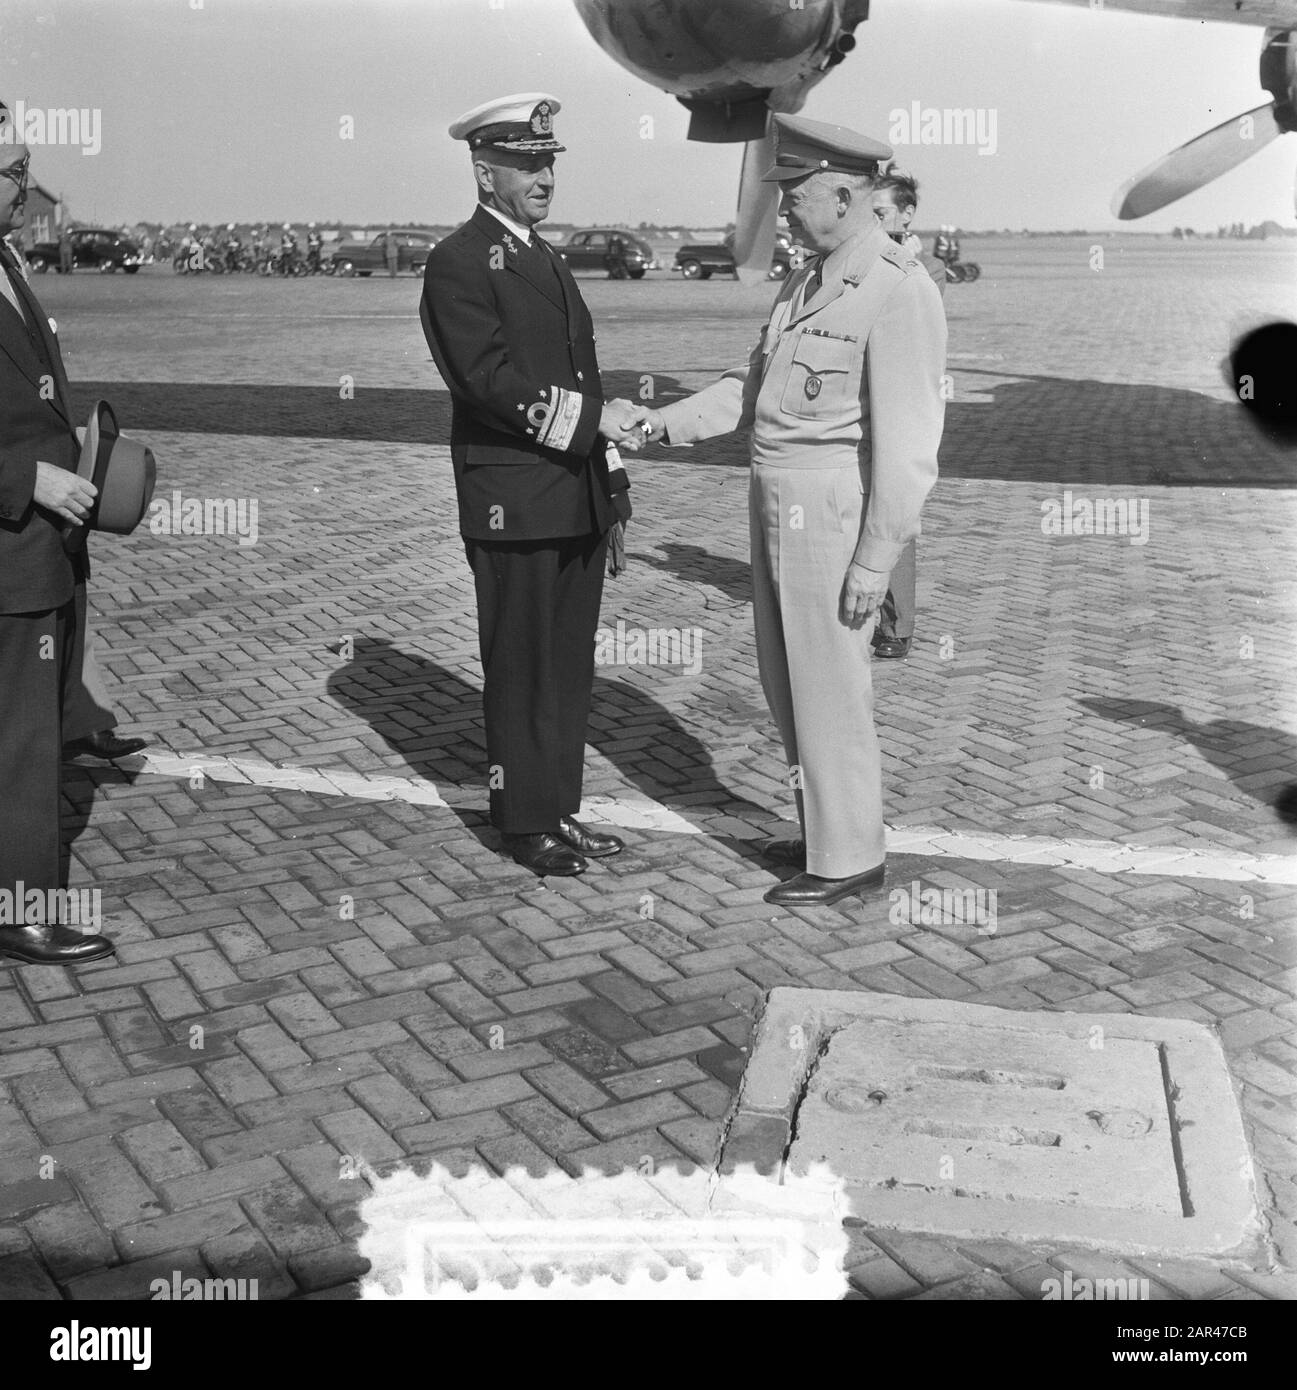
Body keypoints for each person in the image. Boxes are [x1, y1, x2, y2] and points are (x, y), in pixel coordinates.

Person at [637, 113, 947, 907]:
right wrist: (657, 423)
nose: (781, 210)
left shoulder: (896, 287)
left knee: (830, 686)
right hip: (772, 495)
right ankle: (823, 834)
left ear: (841, 194)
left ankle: (848, 859)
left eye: (793, 194)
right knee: (787, 681)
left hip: (829, 507)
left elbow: (909, 446)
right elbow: (749, 387)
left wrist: (876, 560)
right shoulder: (806, 278)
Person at [420, 92, 643, 877]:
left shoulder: (543, 254)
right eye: (524, 162)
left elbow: (583, 372)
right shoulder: (457, 260)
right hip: (513, 500)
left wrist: (608, 490)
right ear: (486, 172)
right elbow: (486, 381)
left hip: (572, 496)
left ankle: (558, 807)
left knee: (566, 667)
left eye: (547, 160)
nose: (543, 175)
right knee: (519, 669)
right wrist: (594, 428)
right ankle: (523, 822)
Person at [0, 102, 115, 964]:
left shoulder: (5, 259)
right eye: (11, 170)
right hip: (10, 539)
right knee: (21, 742)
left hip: (42, 545)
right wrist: (24, 478)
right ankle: (20, 908)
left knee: (31, 728)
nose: (23, 186)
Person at [868, 169, 947, 660]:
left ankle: (896, 627)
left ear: (906, 215)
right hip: (856, 407)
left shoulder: (926, 270)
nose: (871, 224)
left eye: (879, 214)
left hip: (898, 410)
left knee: (894, 513)